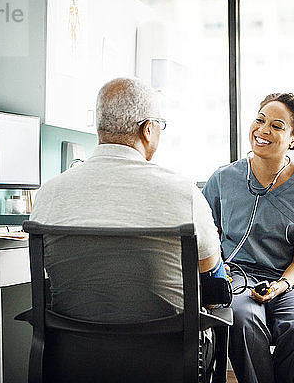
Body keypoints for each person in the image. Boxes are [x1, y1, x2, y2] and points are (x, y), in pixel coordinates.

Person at [30, 77, 225, 372]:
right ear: (148, 129)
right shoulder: (183, 193)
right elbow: (209, 268)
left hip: (73, 357)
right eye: (160, 124)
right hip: (167, 360)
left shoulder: (49, 194)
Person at [202, 92, 294, 383]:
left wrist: (280, 285)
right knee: (240, 318)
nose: (263, 130)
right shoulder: (223, 179)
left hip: (292, 279)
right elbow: (203, 239)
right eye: (260, 120)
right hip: (237, 275)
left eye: (277, 126)